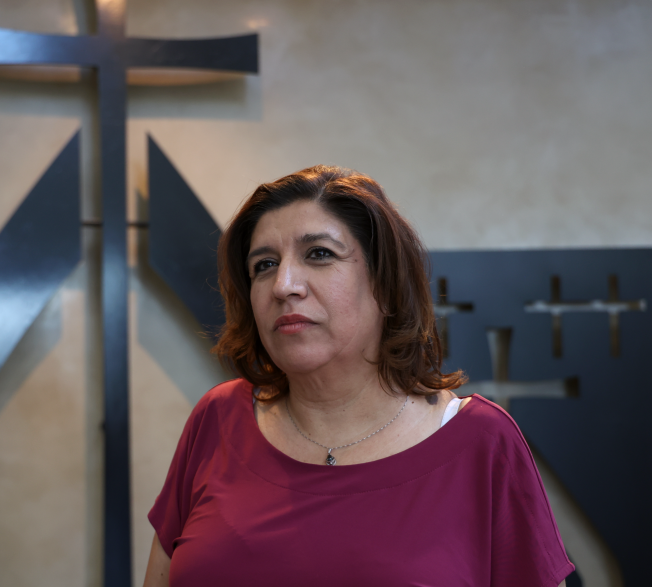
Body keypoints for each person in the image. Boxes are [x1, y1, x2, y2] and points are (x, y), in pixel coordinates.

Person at [142, 166, 574, 587]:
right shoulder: (217, 419)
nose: (283, 285)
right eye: (264, 265)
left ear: (385, 283)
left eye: (319, 254)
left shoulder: (482, 441)